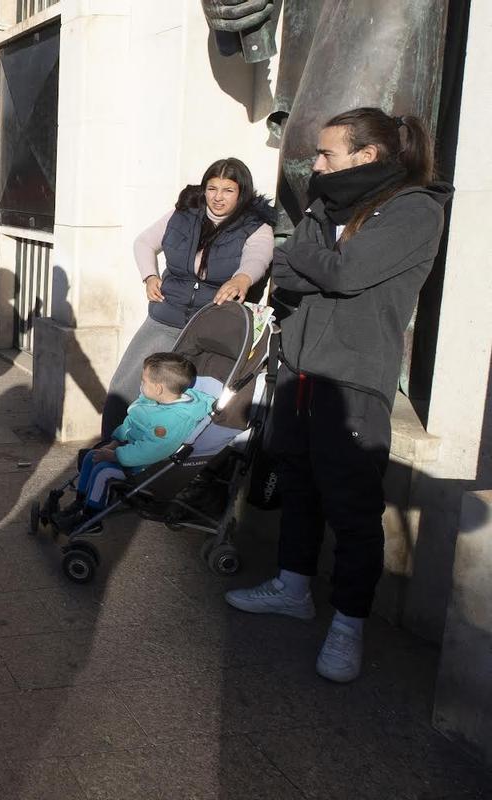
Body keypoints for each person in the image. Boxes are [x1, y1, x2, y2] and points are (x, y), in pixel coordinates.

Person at [225, 107, 452, 683]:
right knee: (299, 487)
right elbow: (291, 272)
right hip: (299, 368)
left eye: (327, 154)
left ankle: (349, 623)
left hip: (353, 381)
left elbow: (347, 276)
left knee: (353, 509)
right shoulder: (326, 206)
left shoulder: (414, 210)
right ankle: (293, 588)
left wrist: (309, 261)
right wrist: (311, 262)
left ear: (366, 155)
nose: (317, 164)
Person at [102, 158, 275, 437]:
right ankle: (107, 450)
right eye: (212, 188)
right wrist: (150, 276)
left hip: (209, 329)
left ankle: (159, 465)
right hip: (165, 319)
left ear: (241, 193)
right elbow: (144, 242)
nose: (217, 197)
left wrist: (241, 279)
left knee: (182, 404)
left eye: (228, 190)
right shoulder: (183, 213)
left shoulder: (256, 227)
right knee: (126, 388)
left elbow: (257, 258)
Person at [56, 353, 213, 531]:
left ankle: (91, 516)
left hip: (145, 465)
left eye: (144, 381)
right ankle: (81, 501)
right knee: (91, 456)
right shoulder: (154, 401)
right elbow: (132, 423)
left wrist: (116, 455)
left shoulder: (172, 420)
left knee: (103, 471)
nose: (141, 384)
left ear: (159, 389)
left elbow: (152, 451)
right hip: (129, 449)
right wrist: (115, 441)